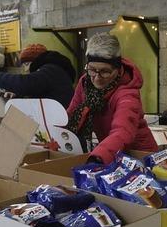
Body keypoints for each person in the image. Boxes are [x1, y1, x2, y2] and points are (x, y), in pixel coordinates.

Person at [65, 33, 158, 163]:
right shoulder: (85, 82)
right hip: (112, 153)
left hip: (139, 156)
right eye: (92, 69)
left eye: (105, 71)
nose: (97, 78)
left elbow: (122, 131)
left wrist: (96, 157)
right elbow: (71, 113)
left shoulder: (127, 94)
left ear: (117, 69)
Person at [0, 43, 75, 109]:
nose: (26, 69)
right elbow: (37, 89)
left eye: (27, 64)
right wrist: (18, 94)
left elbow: (25, 83)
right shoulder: (55, 70)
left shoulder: (50, 70)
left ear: (37, 61)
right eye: (24, 65)